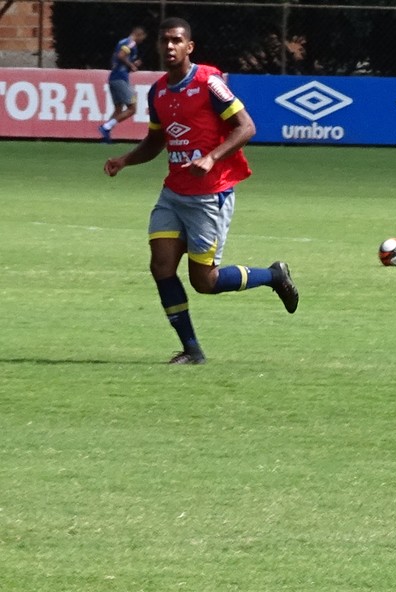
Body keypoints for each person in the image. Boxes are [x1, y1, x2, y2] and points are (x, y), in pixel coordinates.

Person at [103, 18, 297, 365]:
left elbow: (246, 127)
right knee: (161, 266)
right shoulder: (158, 90)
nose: (170, 46)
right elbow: (155, 141)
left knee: (204, 282)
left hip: (210, 195)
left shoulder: (209, 82)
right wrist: (124, 160)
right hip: (174, 193)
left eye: (177, 40)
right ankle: (191, 351)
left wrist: (212, 157)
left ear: (189, 46)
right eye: (165, 41)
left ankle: (273, 275)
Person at [97, 26, 146, 143]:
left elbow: (117, 59)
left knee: (118, 109)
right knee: (132, 108)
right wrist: (131, 65)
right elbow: (121, 55)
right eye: (142, 37)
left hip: (114, 78)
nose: (142, 41)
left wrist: (133, 64)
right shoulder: (130, 43)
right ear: (138, 34)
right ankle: (106, 127)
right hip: (120, 79)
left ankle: (105, 136)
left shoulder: (122, 42)